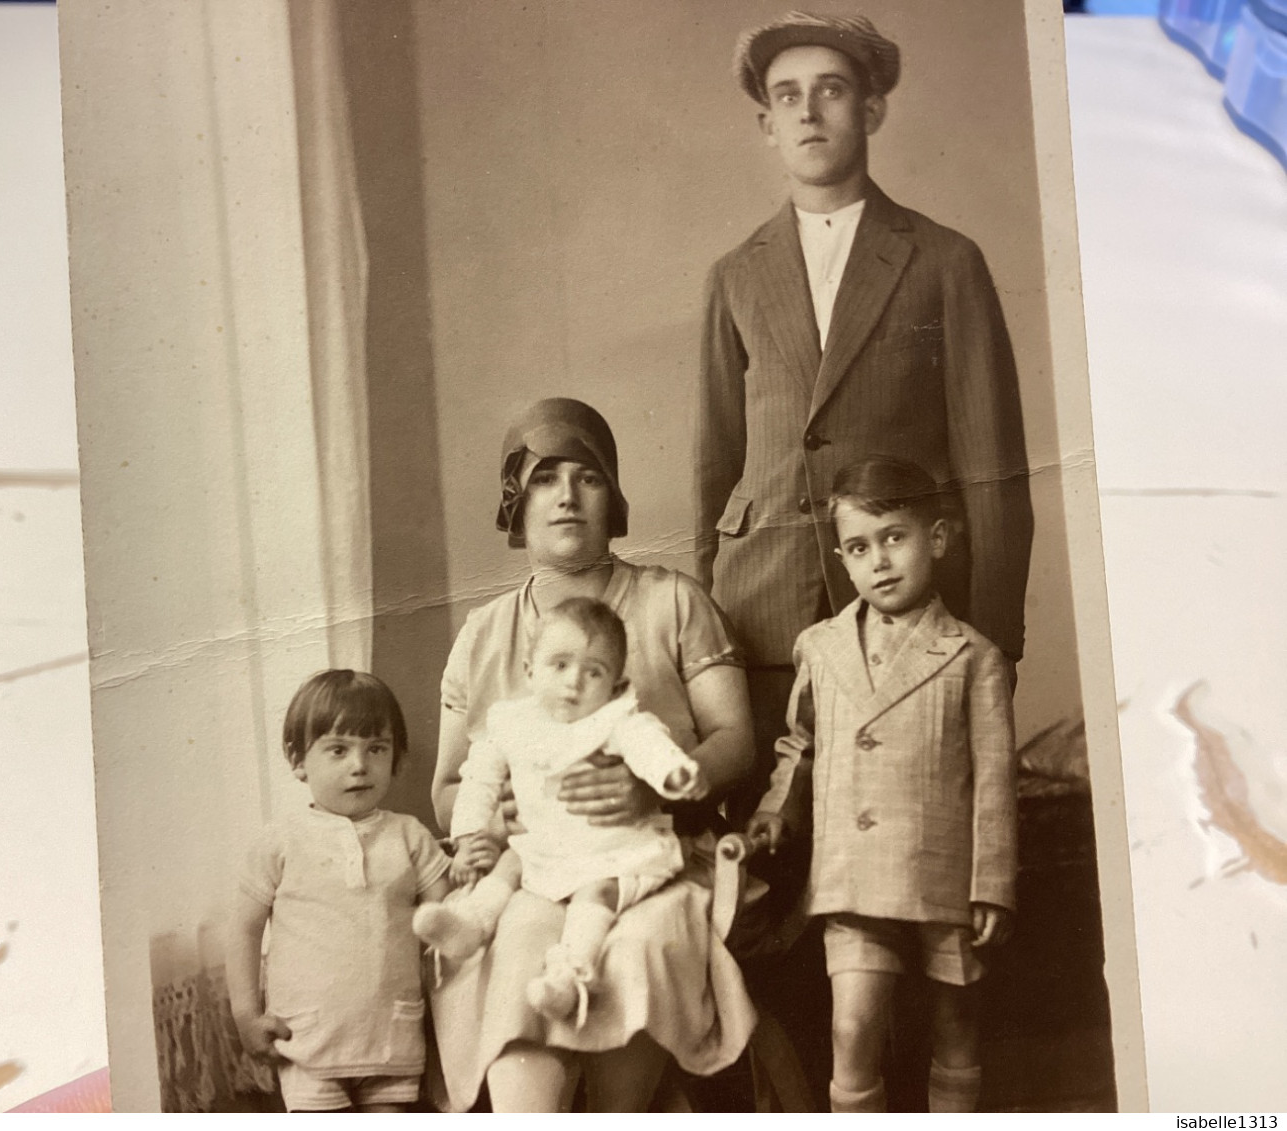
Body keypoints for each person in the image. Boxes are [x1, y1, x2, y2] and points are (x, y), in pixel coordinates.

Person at [696, 10, 1034, 817]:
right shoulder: (735, 275)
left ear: (872, 109)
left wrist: (989, 643)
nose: (808, 112)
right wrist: (710, 637)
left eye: (831, 91)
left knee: (911, 850)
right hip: (766, 618)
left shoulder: (945, 260)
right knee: (778, 862)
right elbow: (715, 467)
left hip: (916, 614)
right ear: (766, 125)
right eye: (788, 97)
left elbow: (996, 473)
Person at [429, 397, 757, 1112]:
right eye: (546, 479)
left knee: (635, 946)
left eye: (589, 476)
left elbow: (736, 739)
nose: (569, 496)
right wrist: (504, 808)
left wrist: (660, 791)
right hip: (531, 869)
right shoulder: (484, 634)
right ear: (516, 504)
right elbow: (450, 787)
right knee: (518, 946)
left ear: (614, 495)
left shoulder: (673, 600)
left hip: (650, 861)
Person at [748, 456, 1018, 1113]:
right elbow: (800, 744)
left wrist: (992, 882)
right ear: (841, 557)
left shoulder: (972, 655)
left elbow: (994, 776)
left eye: (895, 536)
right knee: (853, 1024)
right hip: (853, 870)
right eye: (860, 547)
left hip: (945, 873)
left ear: (939, 538)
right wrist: (777, 808)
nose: (880, 561)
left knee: (955, 1022)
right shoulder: (820, 646)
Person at [416, 596, 707, 1027]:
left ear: (614, 683)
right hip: (544, 846)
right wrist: (470, 836)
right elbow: (478, 778)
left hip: (612, 849)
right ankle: (473, 924)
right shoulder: (513, 723)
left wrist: (675, 775)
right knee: (509, 863)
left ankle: (570, 976)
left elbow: (650, 746)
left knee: (598, 891)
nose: (575, 683)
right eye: (560, 665)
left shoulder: (618, 719)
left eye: (594, 672)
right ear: (530, 671)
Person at [226, 670, 450, 1113]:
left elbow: (445, 920)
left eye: (376, 749)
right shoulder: (281, 841)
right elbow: (244, 930)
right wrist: (246, 1014)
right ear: (298, 760)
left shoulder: (409, 836)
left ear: (397, 760)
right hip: (307, 1043)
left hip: (393, 1042)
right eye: (338, 749)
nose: (359, 765)